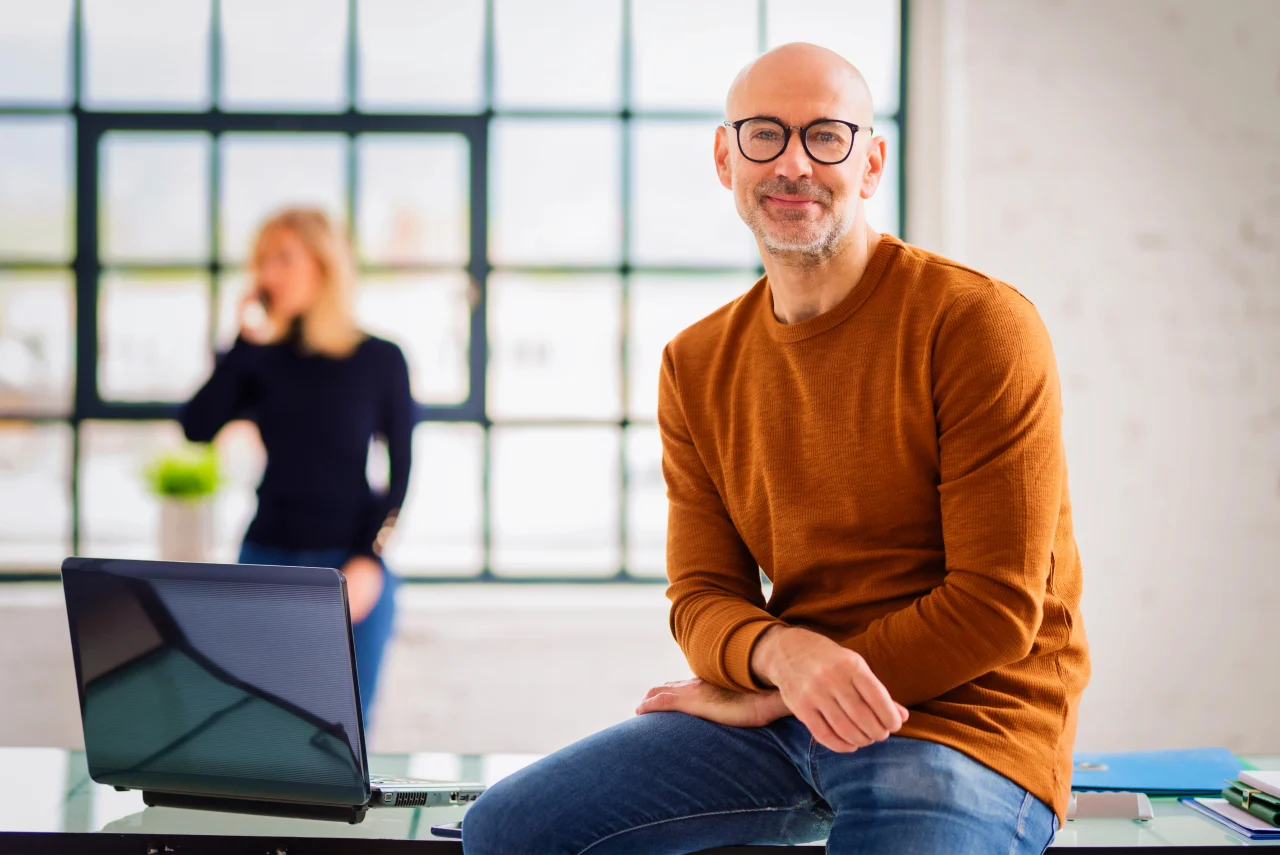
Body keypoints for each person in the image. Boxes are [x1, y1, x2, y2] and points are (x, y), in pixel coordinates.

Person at [461, 42, 1089, 855]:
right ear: (727, 158)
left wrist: (788, 686)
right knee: (510, 829)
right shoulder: (696, 363)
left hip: (966, 723)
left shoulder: (977, 325)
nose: (794, 162)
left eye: (826, 136)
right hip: (782, 722)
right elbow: (700, 597)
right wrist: (779, 655)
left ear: (870, 162)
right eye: (765, 134)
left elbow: (997, 608)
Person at [181, 207, 412, 725]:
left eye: (284, 258)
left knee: (344, 737)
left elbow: (400, 475)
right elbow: (196, 425)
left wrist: (370, 557)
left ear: (324, 265)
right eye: (262, 261)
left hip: (348, 569)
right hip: (266, 560)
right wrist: (242, 340)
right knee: (260, 729)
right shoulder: (260, 359)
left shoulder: (380, 359)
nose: (268, 275)